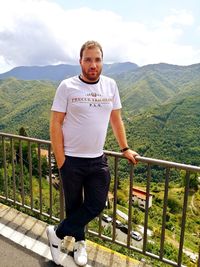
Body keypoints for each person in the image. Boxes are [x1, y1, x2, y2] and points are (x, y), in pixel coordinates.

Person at [46, 40, 139, 266]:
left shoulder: (110, 86)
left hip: (97, 160)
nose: (93, 64)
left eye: (97, 59)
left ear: (102, 62)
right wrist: (62, 161)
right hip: (72, 160)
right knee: (74, 206)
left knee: (97, 204)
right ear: (80, 62)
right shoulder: (67, 86)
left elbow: (116, 120)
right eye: (88, 59)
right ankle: (80, 244)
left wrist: (124, 148)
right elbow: (55, 124)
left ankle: (56, 233)